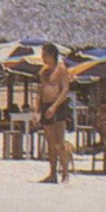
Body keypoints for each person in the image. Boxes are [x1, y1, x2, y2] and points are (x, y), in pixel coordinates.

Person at [33, 44, 73, 183]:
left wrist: (54, 107)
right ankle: (52, 173)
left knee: (59, 142)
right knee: (50, 143)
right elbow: (39, 91)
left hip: (58, 106)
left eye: (44, 55)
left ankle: (65, 173)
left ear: (51, 55)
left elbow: (65, 90)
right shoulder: (43, 72)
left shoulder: (61, 69)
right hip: (45, 105)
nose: (42, 58)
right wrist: (37, 110)